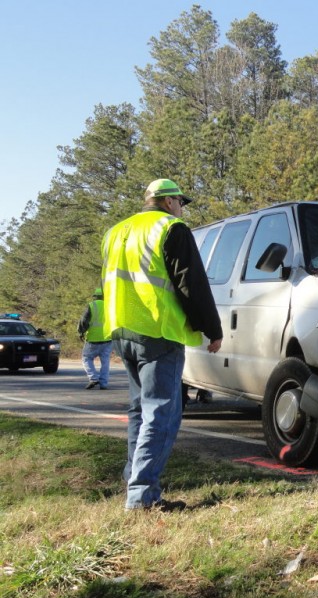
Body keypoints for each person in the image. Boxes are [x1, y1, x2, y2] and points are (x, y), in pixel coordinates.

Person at [101, 178, 223, 511]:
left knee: (140, 409)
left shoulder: (116, 232)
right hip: (159, 332)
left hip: (123, 331)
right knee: (161, 413)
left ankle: (134, 481)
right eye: (180, 202)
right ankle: (142, 496)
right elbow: (191, 283)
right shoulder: (171, 228)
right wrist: (212, 328)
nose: (182, 208)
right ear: (168, 202)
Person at [77, 288, 112, 390]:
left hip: (93, 339)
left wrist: (81, 332)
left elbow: (84, 321)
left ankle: (93, 378)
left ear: (95, 296)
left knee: (86, 358)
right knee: (105, 362)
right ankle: (104, 384)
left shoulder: (92, 305)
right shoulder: (110, 306)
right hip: (108, 338)